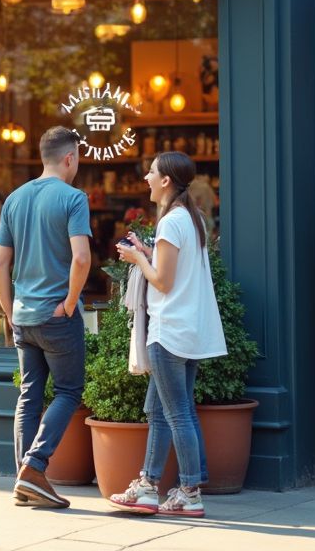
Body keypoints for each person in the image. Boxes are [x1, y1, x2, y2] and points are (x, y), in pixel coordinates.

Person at [109, 151, 227, 519]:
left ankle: (189, 490)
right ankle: (148, 486)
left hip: (168, 330)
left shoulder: (172, 222)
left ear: (165, 181)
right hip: (185, 330)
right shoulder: (190, 220)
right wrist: (147, 251)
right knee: (161, 412)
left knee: (175, 414)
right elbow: (175, 272)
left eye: (151, 172)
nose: (145, 176)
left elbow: (162, 280)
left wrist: (137, 260)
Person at [0, 127, 91, 509]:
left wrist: (7, 309)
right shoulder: (73, 198)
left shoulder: (15, 199)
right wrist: (70, 301)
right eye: (78, 158)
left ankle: (24, 480)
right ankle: (33, 467)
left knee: (30, 394)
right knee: (68, 391)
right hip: (56, 315)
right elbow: (81, 258)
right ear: (69, 158)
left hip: (24, 316)